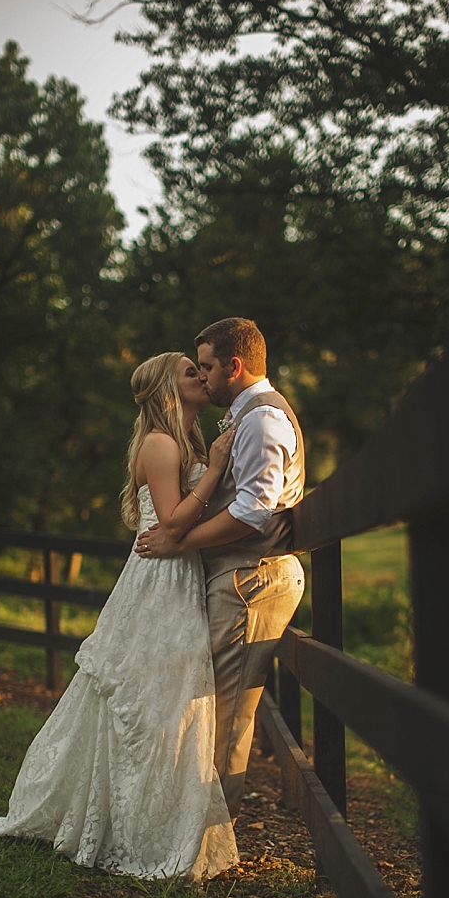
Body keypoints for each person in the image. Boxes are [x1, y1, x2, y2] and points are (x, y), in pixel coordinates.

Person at [0, 352, 239, 881]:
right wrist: (219, 469)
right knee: (149, 697)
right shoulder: (160, 444)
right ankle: (130, 826)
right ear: (168, 388)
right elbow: (176, 523)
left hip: (177, 577)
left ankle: (155, 821)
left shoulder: (186, 443)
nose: (201, 377)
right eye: (190, 371)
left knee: (171, 698)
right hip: (158, 581)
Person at [136, 318, 305, 820]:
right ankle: (192, 825)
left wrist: (178, 541)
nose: (203, 376)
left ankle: (208, 834)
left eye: (207, 367)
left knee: (225, 712)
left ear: (233, 366)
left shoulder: (261, 420)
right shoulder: (242, 418)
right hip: (238, 578)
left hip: (252, 579)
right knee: (210, 705)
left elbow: (254, 510)